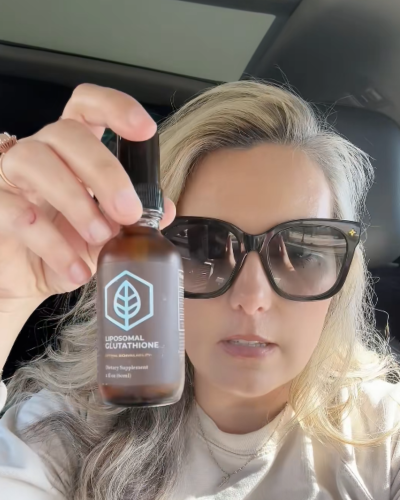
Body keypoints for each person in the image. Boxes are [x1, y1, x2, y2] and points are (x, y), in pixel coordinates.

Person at [0, 80, 399, 500]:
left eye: (299, 254)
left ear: (342, 276)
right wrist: (5, 302)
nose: (252, 299)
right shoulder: (68, 432)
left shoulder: (384, 439)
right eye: (204, 249)